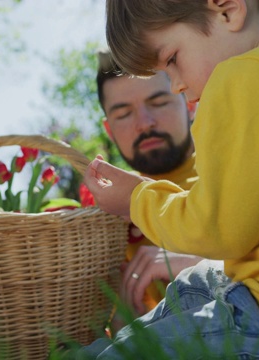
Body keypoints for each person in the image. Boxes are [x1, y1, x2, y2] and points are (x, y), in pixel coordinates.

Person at [80, 0, 259, 358]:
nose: (176, 85)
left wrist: (137, 200)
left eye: (172, 60)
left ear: (228, 10)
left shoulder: (242, 76)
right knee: (194, 283)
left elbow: (220, 229)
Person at [96, 50, 205, 325]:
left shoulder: (236, 172)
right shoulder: (104, 217)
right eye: (123, 114)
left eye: (158, 102)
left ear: (189, 103)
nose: (144, 123)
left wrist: (201, 264)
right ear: (109, 131)